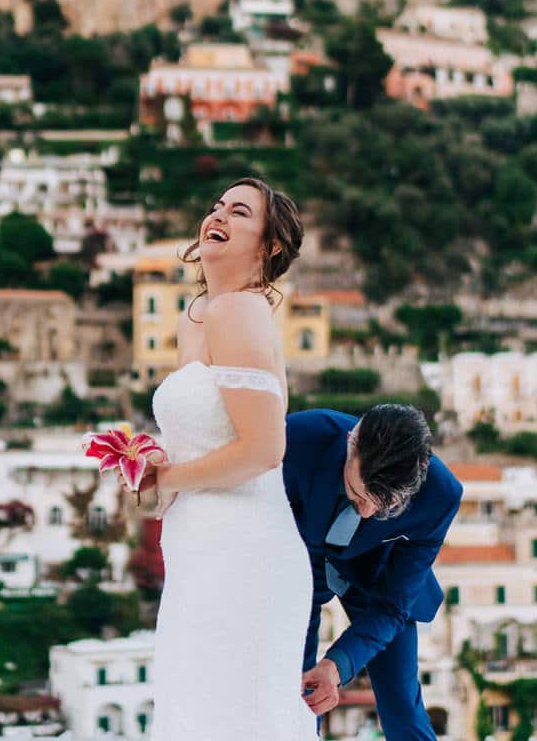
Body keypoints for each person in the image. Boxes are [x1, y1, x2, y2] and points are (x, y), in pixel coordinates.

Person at [131, 176, 314, 740]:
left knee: (232, 714)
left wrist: (171, 477)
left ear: (269, 247)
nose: (220, 216)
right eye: (216, 206)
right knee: (198, 709)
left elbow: (264, 448)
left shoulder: (238, 311)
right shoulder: (199, 315)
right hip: (199, 545)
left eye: (240, 212)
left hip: (243, 548)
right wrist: (151, 462)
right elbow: (209, 432)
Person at [285, 405, 462, 741]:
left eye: (386, 505)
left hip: (380, 576)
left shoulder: (441, 496)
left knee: (401, 706)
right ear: (351, 443)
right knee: (296, 693)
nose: (367, 511)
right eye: (361, 494)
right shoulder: (297, 439)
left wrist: (335, 667)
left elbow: (393, 606)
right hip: (301, 565)